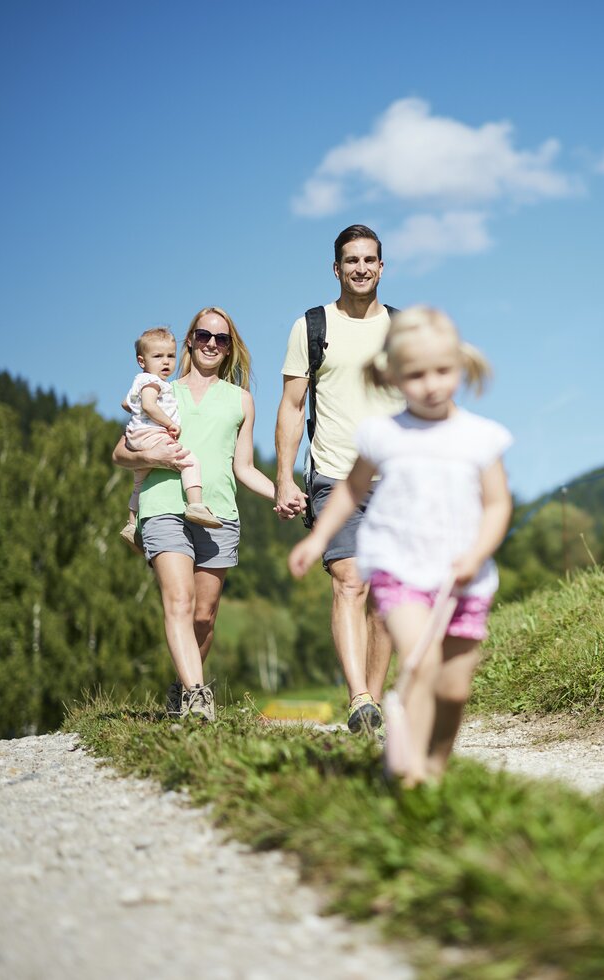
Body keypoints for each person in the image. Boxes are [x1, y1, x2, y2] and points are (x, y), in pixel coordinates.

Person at [288, 306, 512, 785]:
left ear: (460, 365)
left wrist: (476, 553)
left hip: (464, 579)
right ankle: (404, 770)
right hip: (401, 570)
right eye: (415, 375)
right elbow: (349, 489)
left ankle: (433, 766)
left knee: (453, 689)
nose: (430, 384)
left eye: (442, 371)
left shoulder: (479, 437)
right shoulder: (383, 434)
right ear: (392, 375)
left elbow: (497, 506)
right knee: (420, 662)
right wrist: (320, 538)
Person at [113, 307, 276, 721]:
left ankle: (182, 691)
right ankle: (198, 696)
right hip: (165, 506)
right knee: (180, 601)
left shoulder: (240, 400)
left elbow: (244, 468)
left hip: (218, 511)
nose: (211, 344)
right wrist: (150, 455)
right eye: (204, 335)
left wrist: (283, 493)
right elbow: (120, 453)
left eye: (220, 339)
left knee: (203, 616)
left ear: (228, 348)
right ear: (190, 339)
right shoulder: (163, 389)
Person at [275, 225, 403, 734]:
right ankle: (359, 698)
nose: (361, 268)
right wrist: (285, 478)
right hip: (333, 475)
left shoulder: (401, 328)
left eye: (370, 260)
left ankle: (371, 703)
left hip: (395, 479)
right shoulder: (311, 326)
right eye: (351, 260)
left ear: (382, 267)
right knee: (350, 580)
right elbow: (291, 407)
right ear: (336, 268)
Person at [120, 326, 221, 554]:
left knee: (138, 484)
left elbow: (127, 404)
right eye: (157, 356)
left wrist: (138, 413)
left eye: (170, 356)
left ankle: (130, 524)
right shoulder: (154, 383)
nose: (165, 362)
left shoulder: (139, 381)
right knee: (189, 461)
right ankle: (196, 505)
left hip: (137, 439)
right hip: (152, 437)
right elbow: (148, 405)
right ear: (141, 360)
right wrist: (169, 423)